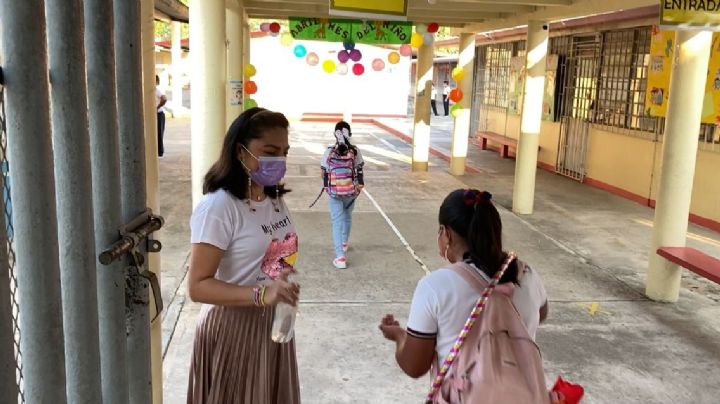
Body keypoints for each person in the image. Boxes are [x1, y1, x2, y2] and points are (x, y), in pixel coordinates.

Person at [186, 107, 301, 404]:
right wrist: (263, 294)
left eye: (284, 152)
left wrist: (283, 283)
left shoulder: (273, 199)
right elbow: (198, 286)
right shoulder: (219, 207)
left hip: (273, 326)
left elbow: (273, 259)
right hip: (232, 331)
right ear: (241, 152)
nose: (279, 160)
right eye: (270, 151)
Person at [378, 189, 548, 383]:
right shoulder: (526, 274)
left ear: (446, 233)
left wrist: (400, 335)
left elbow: (415, 366)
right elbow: (541, 313)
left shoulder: (435, 287)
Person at [321, 121, 365, 269]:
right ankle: (344, 243)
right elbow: (359, 170)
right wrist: (359, 186)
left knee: (336, 222)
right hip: (350, 191)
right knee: (347, 216)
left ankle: (340, 257)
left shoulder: (329, 151)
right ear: (350, 135)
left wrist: (327, 186)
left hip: (334, 192)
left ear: (335, 135)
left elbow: (323, 171)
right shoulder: (355, 151)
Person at [156, 75, 167, 157]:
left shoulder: (157, 89)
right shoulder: (154, 89)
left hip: (159, 113)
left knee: (159, 133)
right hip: (157, 113)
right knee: (157, 133)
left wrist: (157, 107)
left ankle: (160, 152)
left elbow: (164, 98)